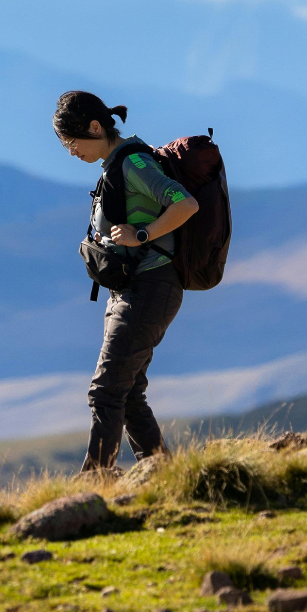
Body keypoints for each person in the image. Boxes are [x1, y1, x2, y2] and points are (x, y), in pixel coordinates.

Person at [53, 91, 199, 475]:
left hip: (151, 287)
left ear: (95, 127)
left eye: (72, 142)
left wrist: (143, 234)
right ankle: (163, 477)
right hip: (131, 290)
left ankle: (95, 485)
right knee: (129, 393)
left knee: (106, 392)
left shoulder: (133, 163)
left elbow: (185, 203)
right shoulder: (114, 165)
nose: (70, 152)